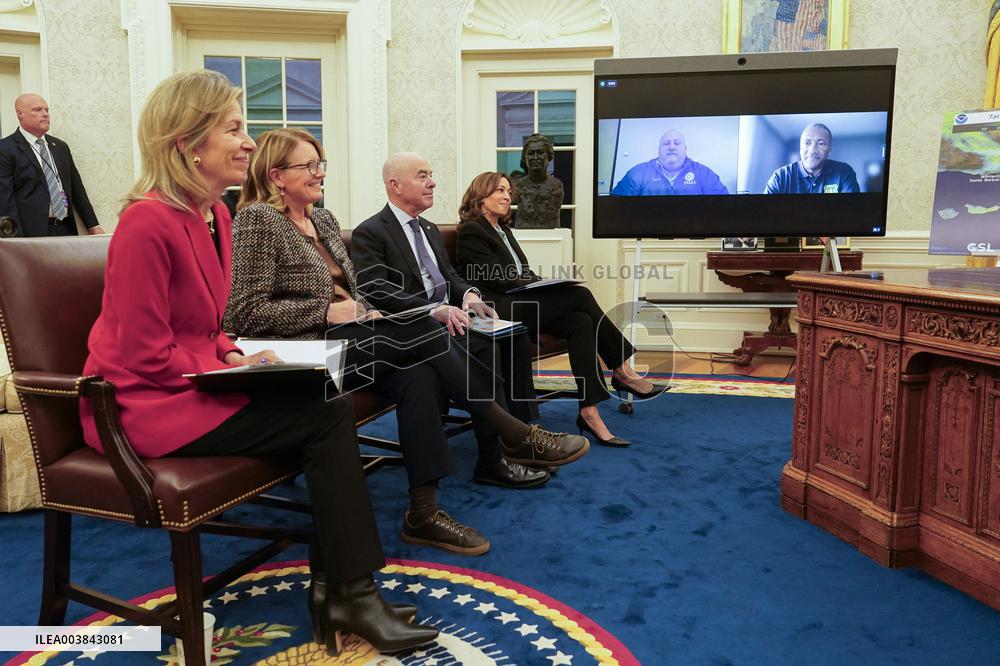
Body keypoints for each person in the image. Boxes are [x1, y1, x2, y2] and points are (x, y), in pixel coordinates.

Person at [78, 71, 437, 657]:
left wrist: (236, 353)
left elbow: (212, 326)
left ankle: (342, 590)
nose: (249, 141)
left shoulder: (216, 216)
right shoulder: (145, 222)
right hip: (141, 404)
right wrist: (228, 371)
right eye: (234, 129)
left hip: (190, 381)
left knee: (326, 396)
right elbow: (145, 353)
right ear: (186, 143)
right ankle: (350, 594)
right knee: (326, 412)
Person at [225, 132, 589, 557]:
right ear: (277, 176)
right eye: (309, 166)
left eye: (321, 163)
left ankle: (423, 511)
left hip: (353, 337)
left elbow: (356, 287)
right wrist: (325, 312)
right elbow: (243, 314)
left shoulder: (322, 220)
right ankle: (516, 433)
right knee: (428, 329)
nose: (320, 172)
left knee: (417, 373)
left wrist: (364, 308)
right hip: (304, 350)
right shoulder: (256, 220)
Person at [455, 172, 670, 447]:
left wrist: (541, 282)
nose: (508, 196)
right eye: (499, 191)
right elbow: (496, 277)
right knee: (579, 294)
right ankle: (622, 370)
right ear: (480, 197)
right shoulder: (473, 230)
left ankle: (589, 411)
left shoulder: (503, 230)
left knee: (580, 321)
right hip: (497, 308)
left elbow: (521, 271)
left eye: (509, 191)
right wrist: (544, 286)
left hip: (521, 300)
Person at [0, 93, 104, 237]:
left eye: (46, 110)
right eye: (38, 110)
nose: (45, 114)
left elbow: (77, 189)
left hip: (66, 228)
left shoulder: (60, 147)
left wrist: (93, 226)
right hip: (31, 234)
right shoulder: (5, 149)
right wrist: (14, 238)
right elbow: (5, 198)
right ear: (20, 113)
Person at [611, 130, 728, 196]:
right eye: (666, 143)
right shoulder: (639, 173)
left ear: (685, 148)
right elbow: (616, 206)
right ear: (659, 149)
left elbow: (723, 206)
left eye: (677, 143)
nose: (672, 147)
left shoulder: (704, 173)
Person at [764, 123, 860, 194]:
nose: (812, 150)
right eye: (807, 143)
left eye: (821, 143)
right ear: (800, 148)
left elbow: (851, 212)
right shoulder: (780, 177)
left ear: (829, 149)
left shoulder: (844, 172)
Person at [512, 133, 563, 229]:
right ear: (525, 157)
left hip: (551, 237)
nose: (535, 157)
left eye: (540, 152)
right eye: (531, 153)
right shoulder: (518, 185)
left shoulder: (556, 185)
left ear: (548, 156)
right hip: (523, 236)